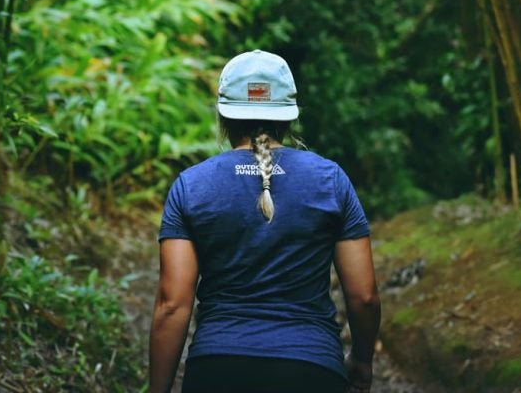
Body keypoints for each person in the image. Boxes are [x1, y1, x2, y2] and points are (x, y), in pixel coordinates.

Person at [148, 49, 381, 393]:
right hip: (312, 368)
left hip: (217, 368)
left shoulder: (192, 185)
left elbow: (171, 305)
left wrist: (158, 389)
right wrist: (361, 360)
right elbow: (364, 296)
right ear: (288, 117)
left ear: (224, 117)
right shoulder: (330, 180)